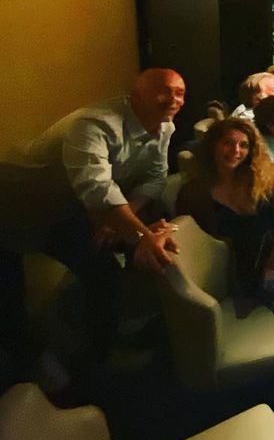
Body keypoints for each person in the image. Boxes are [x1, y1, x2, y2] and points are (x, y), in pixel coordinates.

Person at [2, 69, 185, 375]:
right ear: (135, 95)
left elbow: (155, 177)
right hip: (12, 204)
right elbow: (98, 189)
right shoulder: (93, 124)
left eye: (180, 93)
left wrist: (120, 221)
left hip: (63, 210)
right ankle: (30, 370)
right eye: (164, 91)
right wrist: (142, 236)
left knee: (101, 271)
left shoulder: (163, 126)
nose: (174, 99)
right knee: (9, 298)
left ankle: (102, 354)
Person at [176, 118, 274, 315]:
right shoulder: (194, 193)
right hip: (239, 271)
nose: (236, 151)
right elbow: (187, 239)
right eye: (228, 143)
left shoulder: (262, 175)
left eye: (243, 145)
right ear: (212, 145)